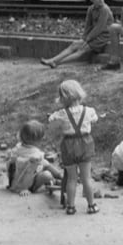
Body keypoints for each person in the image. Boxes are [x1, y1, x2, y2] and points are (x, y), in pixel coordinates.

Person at [48, 80, 99, 215]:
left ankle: (71, 206)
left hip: (68, 144)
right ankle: (91, 205)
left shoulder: (61, 114)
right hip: (86, 142)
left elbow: (51, 123)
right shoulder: (88, 111)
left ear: (63, 97)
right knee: (86, 177)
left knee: (71, 178)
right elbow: (95, 119)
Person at [40, 0, 113, 68]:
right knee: (75, 44)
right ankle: (53, 60)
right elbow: (88, 26)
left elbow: (99, 28)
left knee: (82, 50)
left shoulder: (105, 9)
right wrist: (83, 38)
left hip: (103, 36)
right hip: (94, 35)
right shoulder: (91, 9)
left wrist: (88, 39)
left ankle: (57, 63)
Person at [7, 120, 62, 196]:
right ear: (37, 140)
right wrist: (59, 174)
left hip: (14, 182)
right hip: (25, 185)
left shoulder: (17, 148)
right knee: (47, 174)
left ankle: (54, 181)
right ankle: (56, 179)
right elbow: (47, 165)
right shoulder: (35, 154)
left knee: (40, 167)